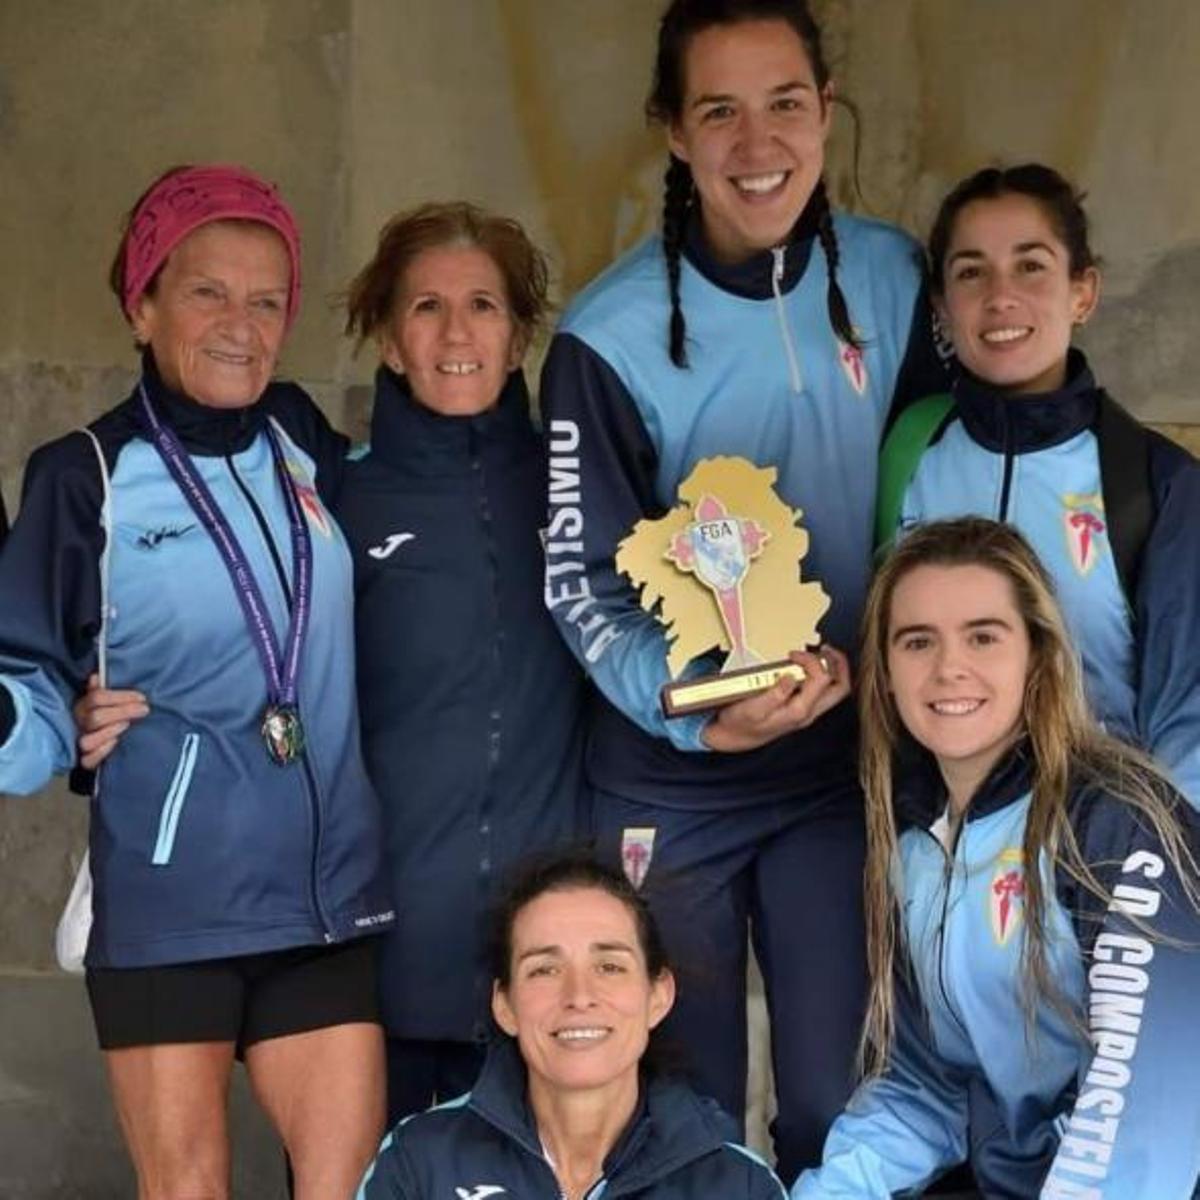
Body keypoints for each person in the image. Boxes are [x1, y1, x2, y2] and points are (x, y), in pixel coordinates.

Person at [538, 0, 945, 1178]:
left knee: (838, 1105)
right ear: (673, 129)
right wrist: (694, 709)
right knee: (682, 1119)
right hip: (671, 782)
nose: (757, 143)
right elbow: (579, 585)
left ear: (826, 111)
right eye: (719, 110)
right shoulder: (605, 337)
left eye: (785, 104)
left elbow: (948, 487)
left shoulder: (895, 278)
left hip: (837, 772)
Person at [0, 164, 391, 1199]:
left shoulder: (305, 441)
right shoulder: (84, 474)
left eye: (266, 301)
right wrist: (44, 718)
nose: (240, 326)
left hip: (324, 905)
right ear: (143, 305)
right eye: (208, 293)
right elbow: (28, 689)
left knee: (349, 1187)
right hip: (171, 907)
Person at [793, 517, 1200, 1199]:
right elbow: (931, 1087)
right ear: (884, 673)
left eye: (983, 636)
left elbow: (1145, 1118)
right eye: (918, 641)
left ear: (1037, 657)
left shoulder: (1119, 823)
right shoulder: (913, 840)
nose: (949, 667)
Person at [335, 202, 589, 1125]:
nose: (455, 334)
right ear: (389, 340)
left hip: (545, 968)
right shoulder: (342, 497)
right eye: (426, 307)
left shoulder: (579, 486)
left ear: (519, 338)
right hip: (378, 957)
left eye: (482, 306)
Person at [881, 163, 1200, 806]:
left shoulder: (1156, 484)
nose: (1001, 296)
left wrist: (1158, 856)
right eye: (971, 272)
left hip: (1094, 833)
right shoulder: (910, 448)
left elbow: (1187, 723)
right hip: (933, 831)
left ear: (1083, 292)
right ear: (941, 304)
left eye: (1031, 266)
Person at [356, 853, 788, 1199]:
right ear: (504, 1005)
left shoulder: (738, 1185)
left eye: (609, 966)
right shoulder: (419, 1162)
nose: (579, 995)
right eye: (544, 969)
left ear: (658, 995)